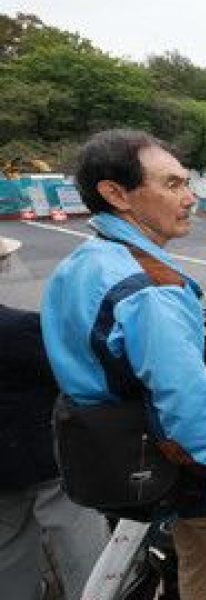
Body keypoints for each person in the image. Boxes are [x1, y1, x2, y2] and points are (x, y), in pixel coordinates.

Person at [40, 129, 206, 599]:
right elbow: (189, 406)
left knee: (199, 575)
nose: (190, 197)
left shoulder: (84, 262)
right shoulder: (149, 287)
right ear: (116, 194)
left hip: (121, 454)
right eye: (172, 185)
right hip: (195, 473)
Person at [1, 236, 108, 600]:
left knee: (9, 554)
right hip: (45, 462)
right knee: (79, 543)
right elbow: (71, 375)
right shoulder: (19, 329)